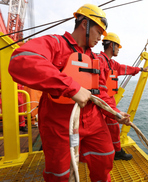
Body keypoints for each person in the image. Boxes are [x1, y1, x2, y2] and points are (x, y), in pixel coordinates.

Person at [8, 4, 130, 182]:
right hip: (59, 123)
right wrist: (71, 87)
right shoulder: (55, 43)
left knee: (105, 156)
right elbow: (21, 59)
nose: (100, 38)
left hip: (93, 121)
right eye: (98, 31)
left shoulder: (95, 59)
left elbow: (101, 91)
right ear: (84, 24)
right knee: (59, 173)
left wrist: (115, 112)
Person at [97, 32, 148, 160]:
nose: (119, 50)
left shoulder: (111, 63)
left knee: (112, 129)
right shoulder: (100, 61)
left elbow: (124, 68)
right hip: (103, 103)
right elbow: (99, 88)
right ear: (111, 45)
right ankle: (114, 152)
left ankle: (115, 151)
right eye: (118, 47)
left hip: (108, 102)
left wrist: (140, 70)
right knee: (106, 129)